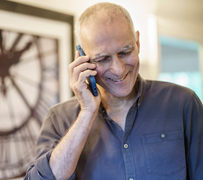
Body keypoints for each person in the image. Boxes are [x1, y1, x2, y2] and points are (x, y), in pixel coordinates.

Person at [24, 2, 203, 180]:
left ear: (138, 43)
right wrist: (86, 114)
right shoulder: (59, 118)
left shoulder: (183, 104)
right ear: (83, 60)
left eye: (125, 52)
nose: (118, 69)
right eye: (102, 59)